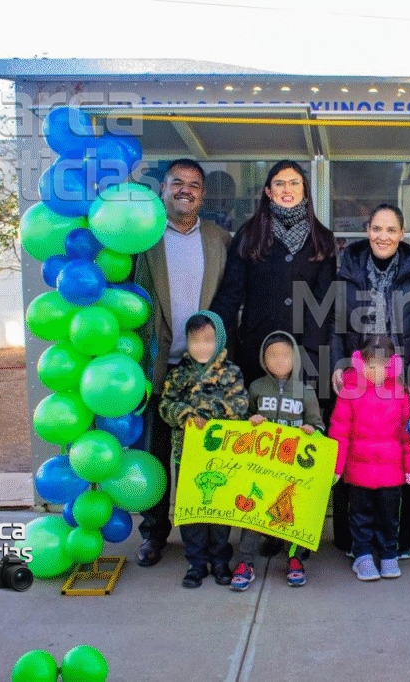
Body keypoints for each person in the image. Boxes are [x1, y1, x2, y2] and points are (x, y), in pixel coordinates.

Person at [134, 158, 231, 568]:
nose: (185, 190)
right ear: (164, 189)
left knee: (201, 459)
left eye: (193, 184)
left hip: (205, 370)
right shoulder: (146, 238)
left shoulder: (219, 238)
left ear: (202, 195)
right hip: (160, 365)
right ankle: (154, 534)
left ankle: (204, 539)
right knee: (156, 454)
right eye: (177, 182)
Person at [329, 203, 410, 559]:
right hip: (358, 380)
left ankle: (403, 540)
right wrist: (336, 364)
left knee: (404, 457)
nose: (383, 236)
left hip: (402, 384)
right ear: (367, 230)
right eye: (377, 228)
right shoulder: (346, 272)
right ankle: (353, 541)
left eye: (391, 230)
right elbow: (334, 326)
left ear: (402, 234)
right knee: (357, 454)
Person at [210, 160, 337, 397]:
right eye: (279, 183)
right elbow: (231, 294)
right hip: (256, 349)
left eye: (294, 183)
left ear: (304, 189)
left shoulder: (322, 239)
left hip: (305, 354)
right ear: (268, 191)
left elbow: (324, 304)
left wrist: (309, 353)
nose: (287, 189)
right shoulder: (249, 234)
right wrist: (210, 334)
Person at [157, 311, 248, 588]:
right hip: (186, 454)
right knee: (192, 509)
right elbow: (165, 405)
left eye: (208, 340)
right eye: (195, 340)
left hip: (221, 455)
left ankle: (220, 560)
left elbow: (240, 406)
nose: (201, 346)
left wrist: (207, 413)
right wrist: (184, 414)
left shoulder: (231, 373)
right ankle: (196, 562)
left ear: (219, 339)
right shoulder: (179, 374)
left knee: (219, 509)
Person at [229, 331, 325, 590]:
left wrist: (311, 430)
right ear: (263, 359)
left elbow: (319, 426)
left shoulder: (305, 391)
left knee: (292, 513)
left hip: (292, 469)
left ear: (295, 358)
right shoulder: (257, 387)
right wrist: (251, 422)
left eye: (285, 355)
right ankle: (246, 562)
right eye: (273, 355)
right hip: (262, 467)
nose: (280, 360)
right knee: (252, 511)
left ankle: (294, 558)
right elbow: (243, 420)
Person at [329, 335, 410, 581]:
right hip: (359, 473)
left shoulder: (400, 394)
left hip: (391, 474)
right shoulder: (349, 392)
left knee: (389, 517)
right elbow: (339, 432)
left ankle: (388, 553)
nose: (376, 371)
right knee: (360, 516)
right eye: (371, 365)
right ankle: (362, 556)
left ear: (392, 365)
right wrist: (336, 467)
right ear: (361, 364)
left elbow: (408, 434)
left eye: (382, 365)